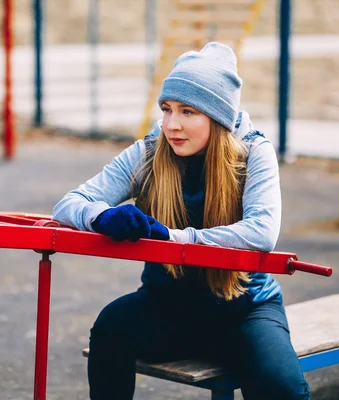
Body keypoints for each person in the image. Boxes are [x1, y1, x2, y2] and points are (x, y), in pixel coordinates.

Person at [52, 42, 310, 400]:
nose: (172, 125)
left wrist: (172, 238)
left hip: (244, 309)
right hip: (168, 305)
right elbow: (69, 204)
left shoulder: (253, 153)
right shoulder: (149, 152)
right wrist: (102, 216)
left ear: (217, 116)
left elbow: (261, 232)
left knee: (281, 388)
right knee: (111, 328)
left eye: (188, 111)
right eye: (167, 109)